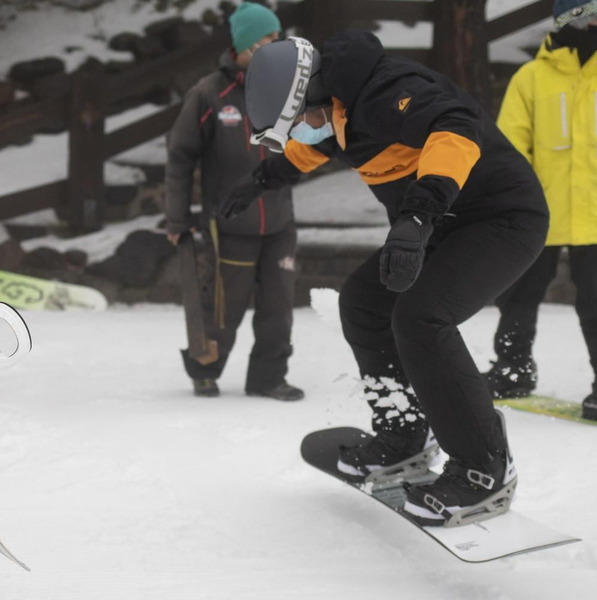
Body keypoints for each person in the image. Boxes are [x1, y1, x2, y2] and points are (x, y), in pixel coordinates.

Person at [225, 30, 549, 526]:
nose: (305, 128)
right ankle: (403, 435)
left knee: (423, 318)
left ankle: (485, 468)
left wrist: (417, 217)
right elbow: (315, 147)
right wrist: (259, 181)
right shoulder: (338, 108)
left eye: (302, 118)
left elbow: (456, 127)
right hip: (445, 223)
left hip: (501, 217)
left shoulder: (383, 90)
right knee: (363, 303)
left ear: (313, 93)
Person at [485, 0, 597, 421]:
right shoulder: (530, 80)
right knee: (517, 298)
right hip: (537, 215)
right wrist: (509, 202)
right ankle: (512, 369)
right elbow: (511, 148)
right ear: (573, 23)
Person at [163, 2, 303, 401]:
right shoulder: (209, 93)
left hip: (279, 222)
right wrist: (177, 219)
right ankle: (205, 368)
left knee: (279, 307)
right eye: (270, 38)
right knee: (225, 307)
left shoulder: (284, 88)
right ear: (247, 44)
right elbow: (179, 157)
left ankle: (268, 377)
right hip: (230, 226)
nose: (278, 43)